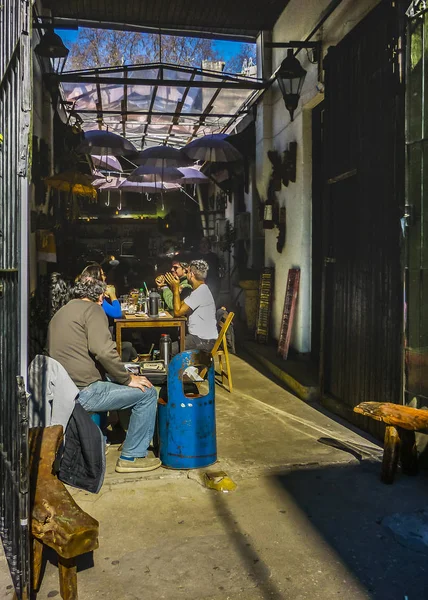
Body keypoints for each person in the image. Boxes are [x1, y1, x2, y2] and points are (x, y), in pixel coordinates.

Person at [47, 277, 161, 473]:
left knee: (122, 381)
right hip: (83, 391)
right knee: (147, 392)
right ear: (100, 296)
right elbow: (104, 351)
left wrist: (121, 377)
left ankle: (126, 436)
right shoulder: (94, 310)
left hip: (60, 389)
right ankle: (131, 456)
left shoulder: (63, 311)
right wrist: (127, 378)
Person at [165, 259, 218, 355]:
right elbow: (181, 306)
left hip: (203, 340)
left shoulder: (200, 292)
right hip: (199, 338)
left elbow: (177, 312)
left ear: (191, 275)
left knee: (166, 350)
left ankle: (173, 370)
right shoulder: (199, 290)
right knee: (168, 340)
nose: (186, 274)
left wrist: (176, 289)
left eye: (188, 272)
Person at [193, 238, 220, 304]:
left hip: (212, 282)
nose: (204, 245)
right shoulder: (195, 256)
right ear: (199, 245)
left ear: (209, 245)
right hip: (199, 282)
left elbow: (217, 269)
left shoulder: (214, 256)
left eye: (206, 243)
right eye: (202, 242)